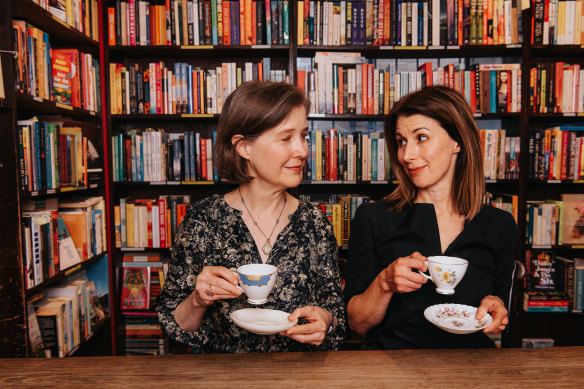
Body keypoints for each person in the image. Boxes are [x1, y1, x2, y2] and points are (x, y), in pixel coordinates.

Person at [157, 81, 345, 353]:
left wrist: (326, 322)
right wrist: (199, 300)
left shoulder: (315, 223)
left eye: (303, 136)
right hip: (224, 378)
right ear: (244, 147)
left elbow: (335, 315)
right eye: (286, 138)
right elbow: (176, 327)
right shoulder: (203, 220)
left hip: (300, 377)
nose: (303, 150)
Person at [344, 86, 518, 349]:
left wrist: (496, 309)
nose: (406, 155)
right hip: (393, 367)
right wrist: (386, 281)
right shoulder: (373, 218)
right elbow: (357, 324)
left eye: (421, 138)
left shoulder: (500, 225)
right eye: (402, 141)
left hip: (471, 367)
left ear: (457, 141)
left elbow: (496, 306)